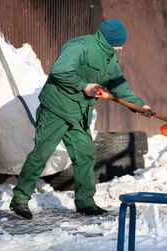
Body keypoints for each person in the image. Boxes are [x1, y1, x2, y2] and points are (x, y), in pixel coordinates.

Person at [10, 19, 153, 219]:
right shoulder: (80, 46)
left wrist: (139, 105)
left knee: (85, 154)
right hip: (56, 109)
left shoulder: (110, 59)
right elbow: (60, 71)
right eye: (119, 43)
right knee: (42, 153)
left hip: (78, 114)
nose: (121, 47)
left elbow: (120, 87)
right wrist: (84, 85)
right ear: (110, 39)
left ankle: (85, 202)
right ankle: (20, 198)